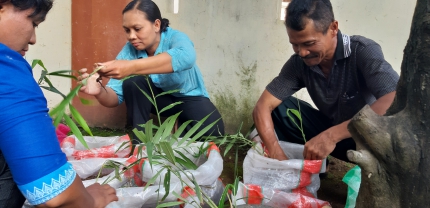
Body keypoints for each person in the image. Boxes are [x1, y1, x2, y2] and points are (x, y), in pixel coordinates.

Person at [0, 0, 118, 207]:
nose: (34, 39)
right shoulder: (6, 71)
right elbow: (57, 196)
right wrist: (91, 200)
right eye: (34, 22)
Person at [252, 0, 399, 162]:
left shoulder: (362, 51)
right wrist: (275, 152)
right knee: (282, 109)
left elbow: (393, 99)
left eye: (309, 43)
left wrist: (331, 135)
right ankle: (311, 166)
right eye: (295, 45)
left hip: (366, 142)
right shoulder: (298, 63)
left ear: (333, 28)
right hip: (331, 134)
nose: (302, 52)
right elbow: (262, 106)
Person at [78, 0, 225, 141]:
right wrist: (99, 91)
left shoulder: (175, 37)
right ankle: (140, 143)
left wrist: (131, 67)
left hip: (188, 98)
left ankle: (177, 128)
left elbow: (187, 57)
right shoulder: (129, 51)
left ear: (156, 24)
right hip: (159, 102)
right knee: (132, 82)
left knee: (215, 132)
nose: (131, 36)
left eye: (137, 29)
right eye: (127, 30)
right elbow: (114, 97)